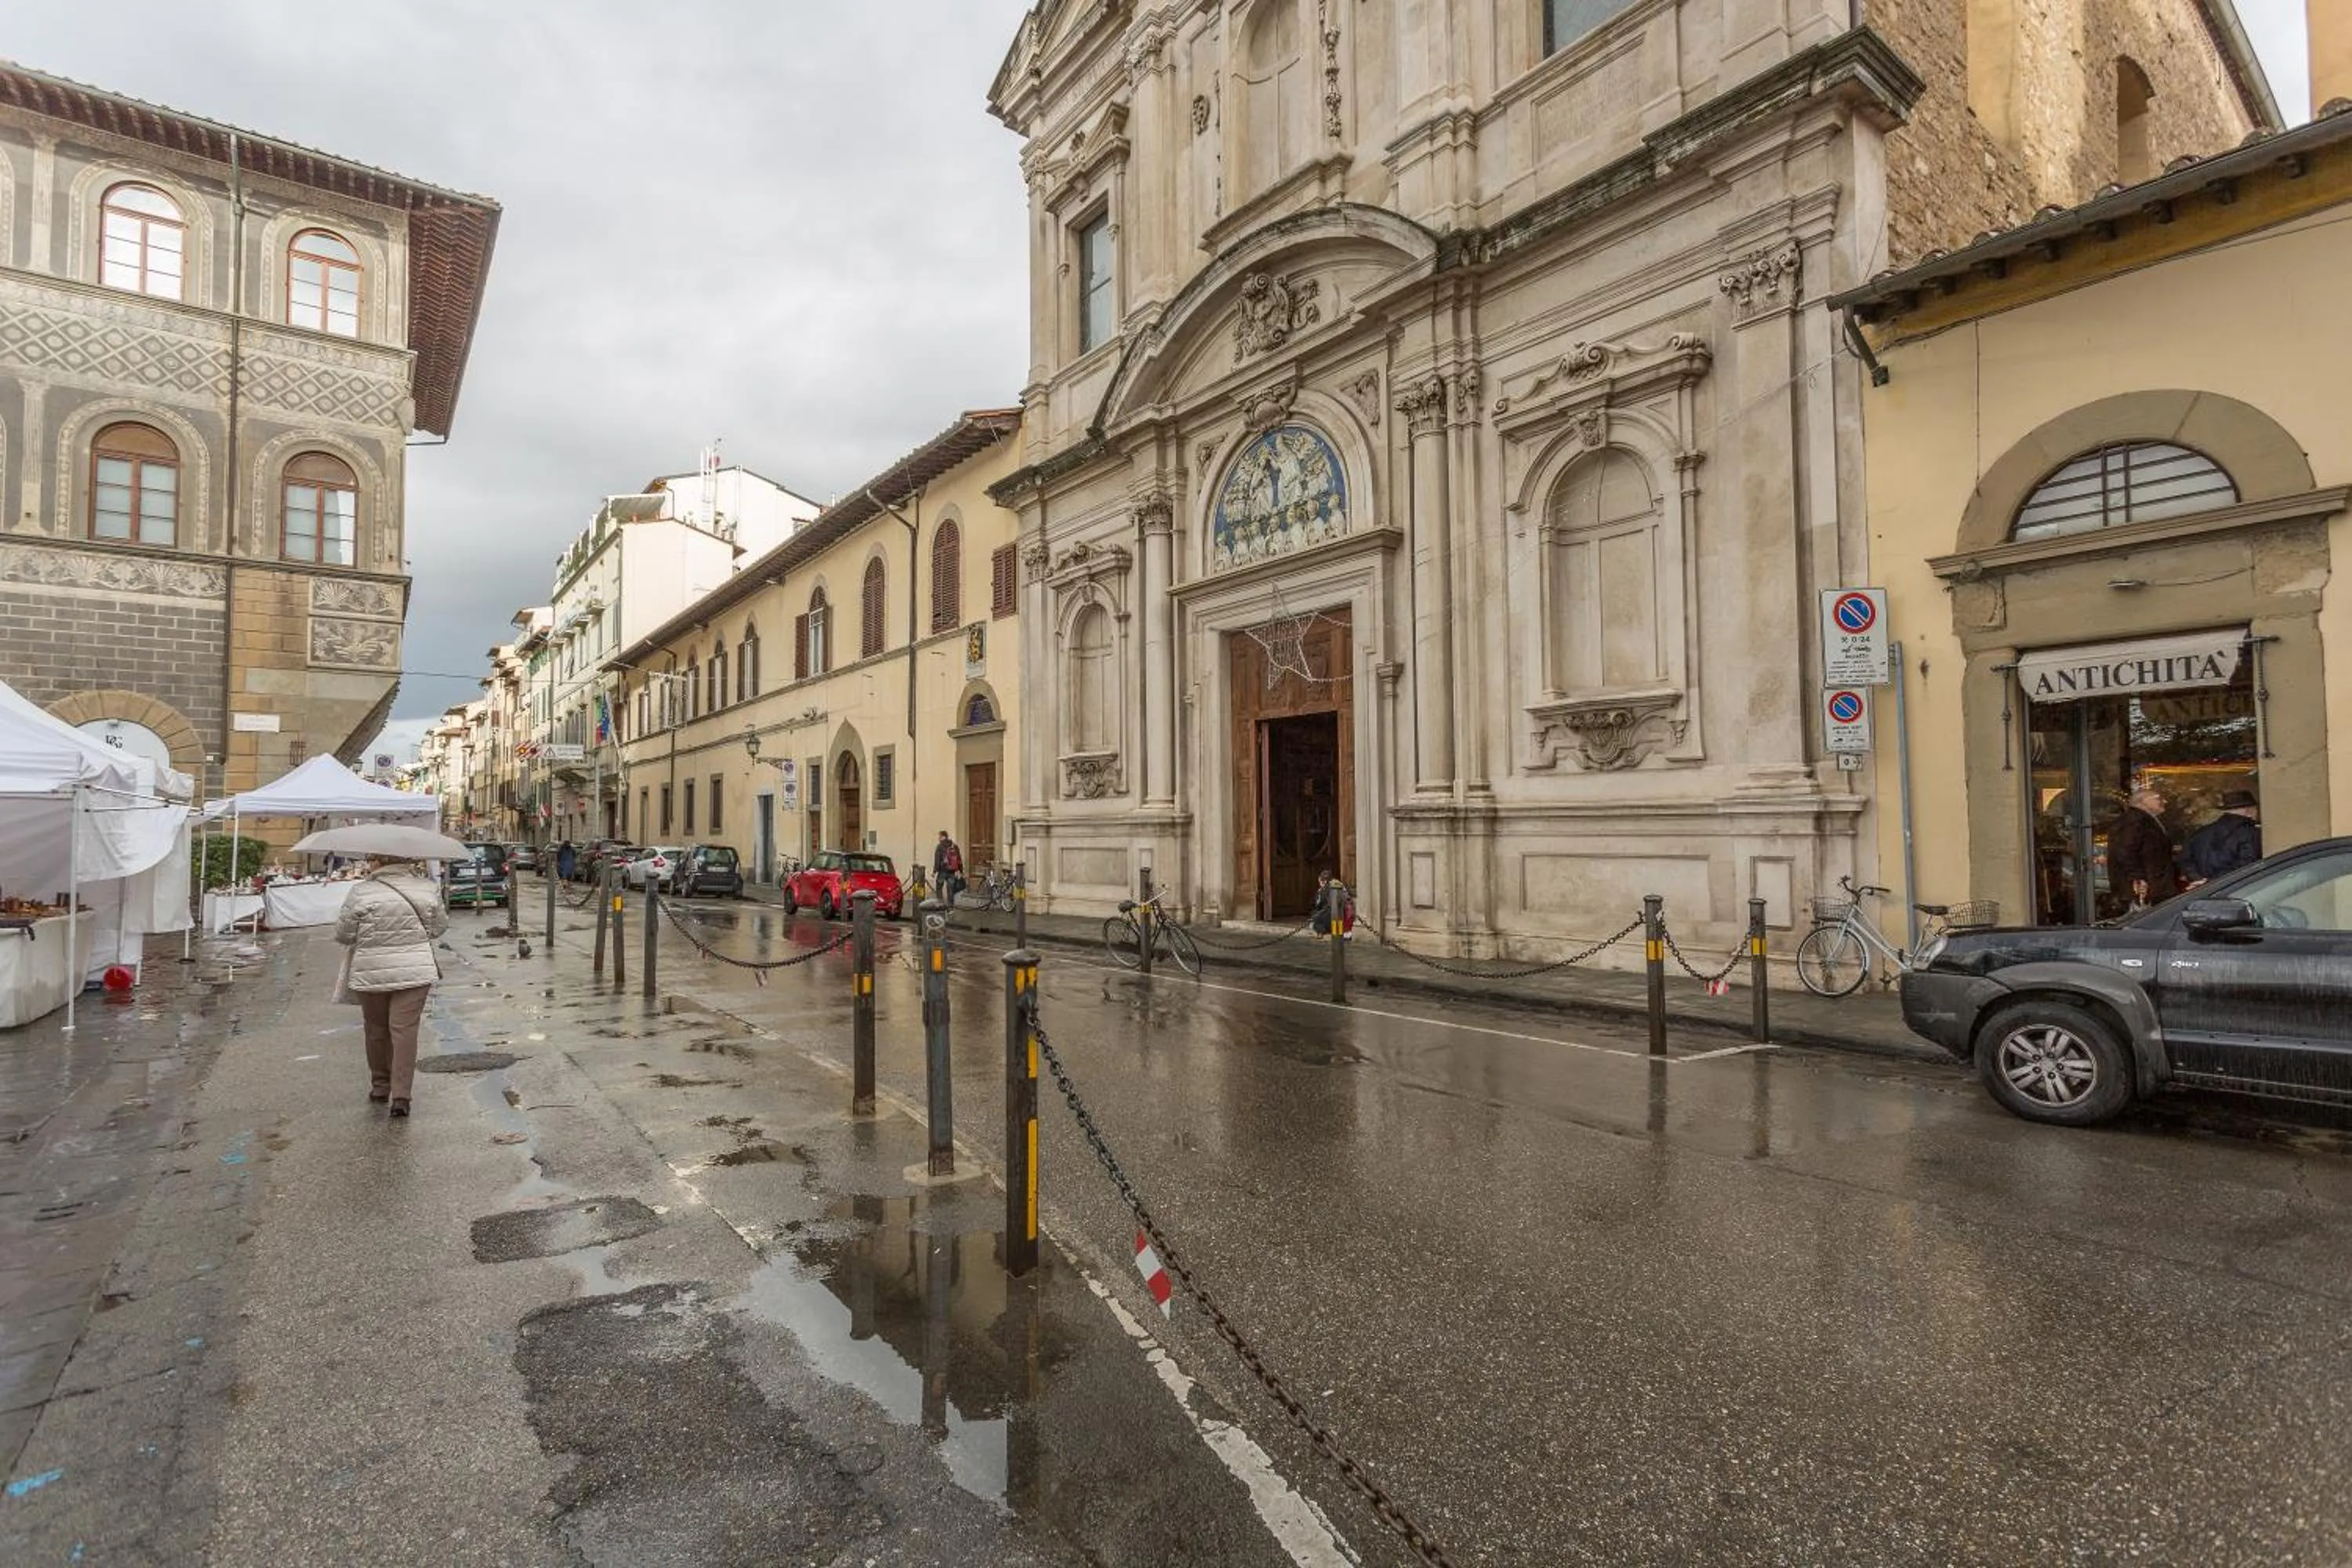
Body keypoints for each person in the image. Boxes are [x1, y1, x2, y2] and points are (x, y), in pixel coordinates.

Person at [334, 855, 449, 1118]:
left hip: (371, 971)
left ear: (378, 862)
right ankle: (401, 1096)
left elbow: (343, 934)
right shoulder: (427, 888)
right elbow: (439, 927)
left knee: (376, 1030)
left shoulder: (361, 891)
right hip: (415, 970)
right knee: (405, 1031)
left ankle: (380, 1086)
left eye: (371, 858)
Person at [2106, 780, 2180, 910]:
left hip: (2154, 885)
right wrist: (2137, 878)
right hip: (2145, 887)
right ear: (2143, 801)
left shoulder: (2143, 820)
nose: (2164, 801)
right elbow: (2125, 852)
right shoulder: (2134, 821)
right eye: (2158, 798)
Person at [2183, 789, 2263, 884]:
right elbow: (2248, 866)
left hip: (2207, 890)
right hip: (2239, 887)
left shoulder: (2200, 833)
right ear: (2249, 811)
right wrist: (2211, 882)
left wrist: (2199, 880)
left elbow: (2185, 861)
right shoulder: (2250, 833)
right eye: (2256, 809)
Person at [934, 830, 964, 902]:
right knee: (950, 889)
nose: (939, 838)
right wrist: (960, 870)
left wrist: (935, 871)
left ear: (943, 837)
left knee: (939, 887)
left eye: (940, 836)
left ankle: (940, 903)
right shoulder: (954, 845)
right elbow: (959, 859)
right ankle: (950, 906)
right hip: (952, 871)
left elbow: (937, 860)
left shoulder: (940, 846)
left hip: (943, 870)